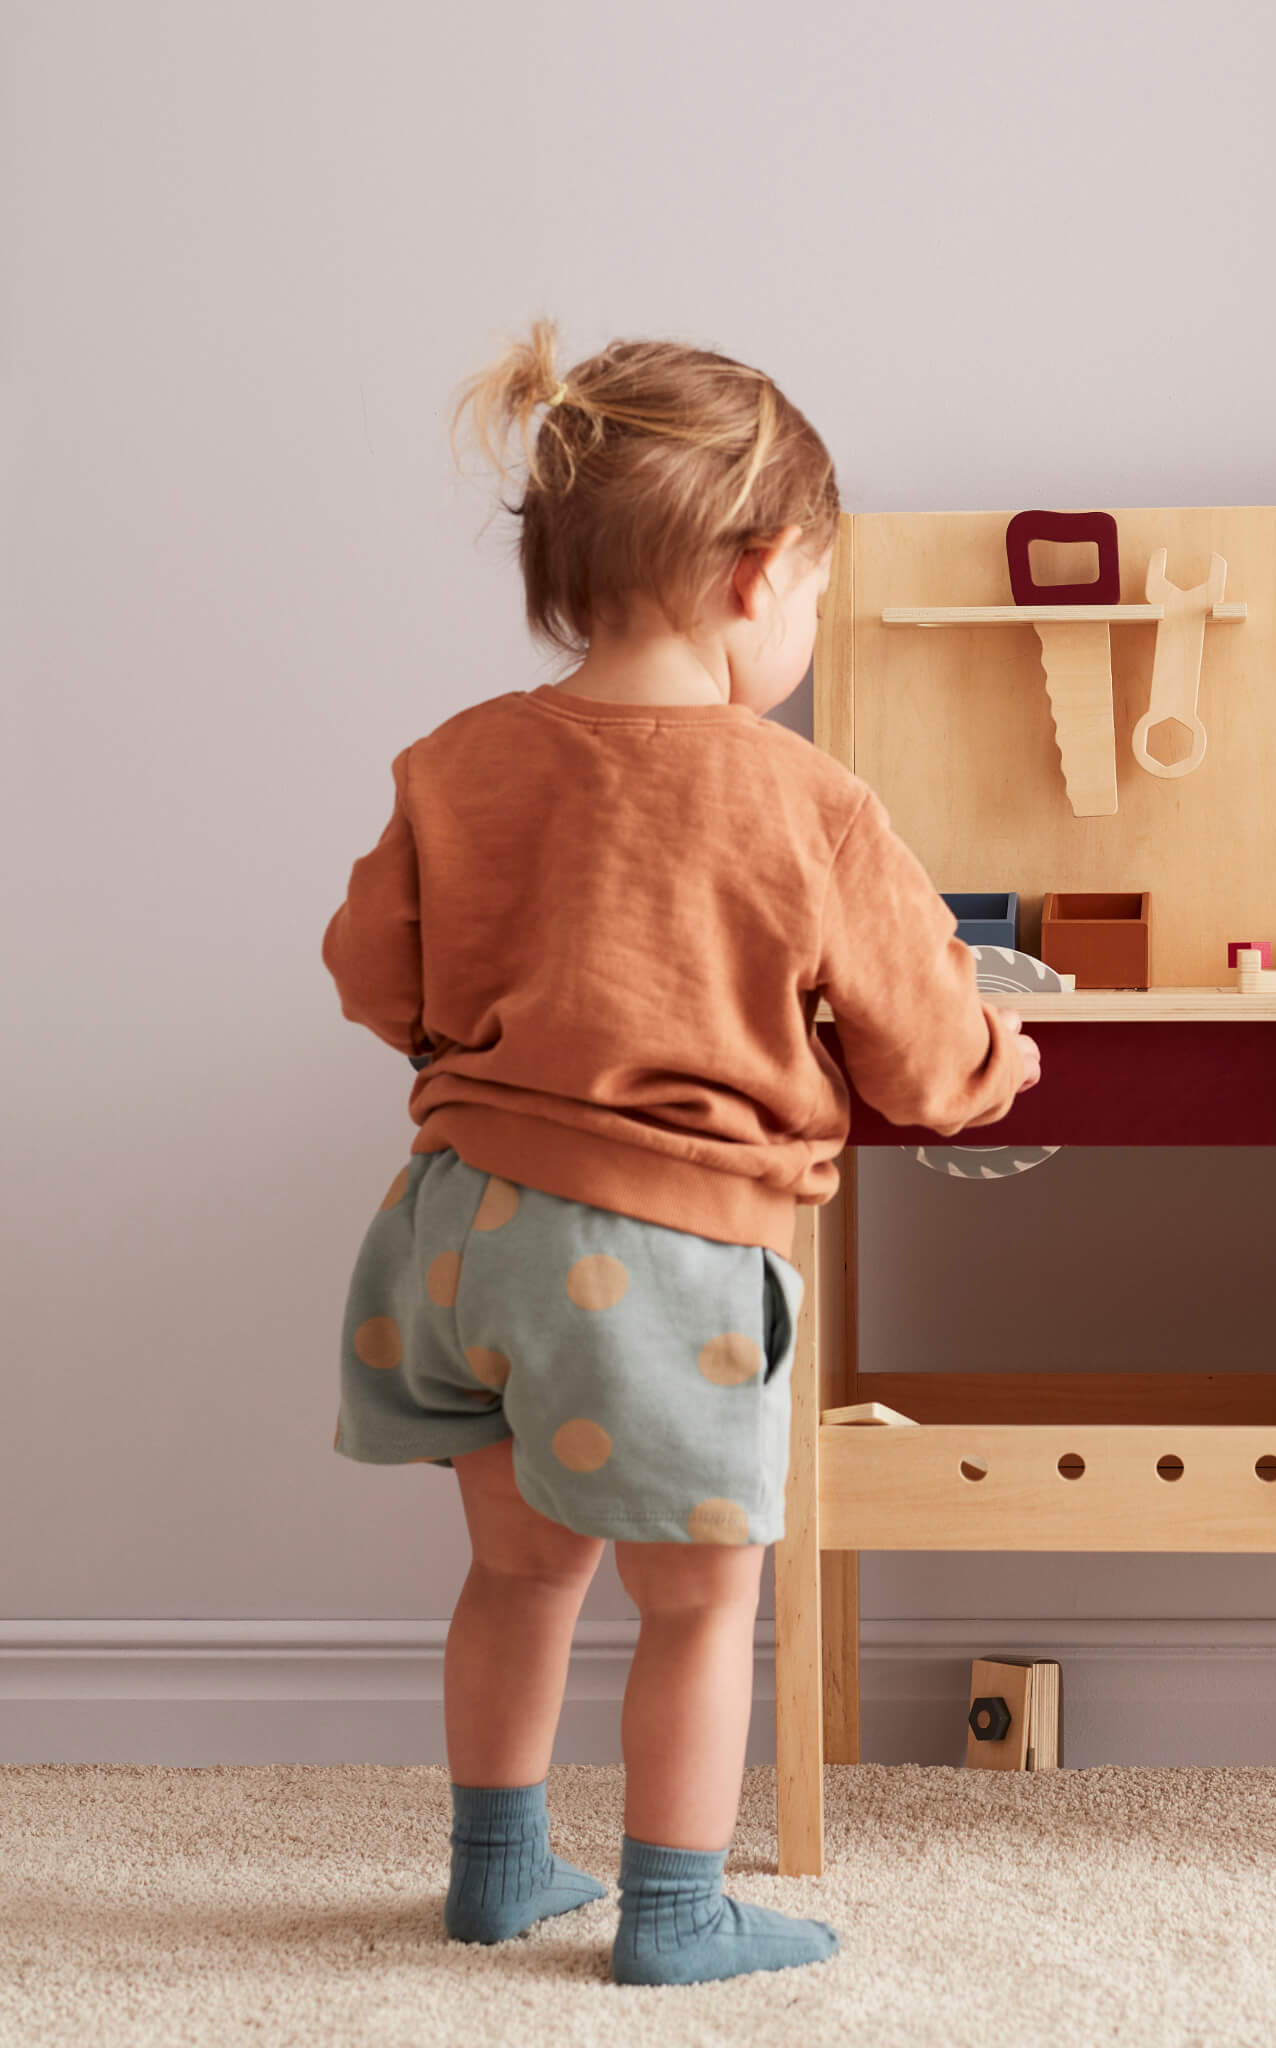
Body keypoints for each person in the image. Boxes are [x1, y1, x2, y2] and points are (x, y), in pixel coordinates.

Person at [322, 322, 1038, 1986]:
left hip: (449, 1236)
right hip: (652, 1264)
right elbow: (923, 1065)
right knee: (702, 1602)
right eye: (811, 602)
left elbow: (372, 973)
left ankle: (499, 1871)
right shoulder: (803, 800)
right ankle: (675, 1910)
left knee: (518, 1569)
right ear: (758, 570)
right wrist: (1001, 1056)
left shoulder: (458, 761)